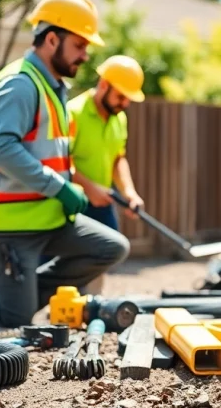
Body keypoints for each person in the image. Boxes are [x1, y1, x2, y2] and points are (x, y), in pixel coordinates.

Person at [0, 0, 130, 328]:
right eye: (79, 45)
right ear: (52, 40)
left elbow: (48, 153)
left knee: (112, 248)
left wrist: (69, 185)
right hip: (4, 224)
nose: (85, 55)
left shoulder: (53, 87)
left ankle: (20, 294)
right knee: (15, 318)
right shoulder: (19, 85)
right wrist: (60, 188)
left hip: (44, 216)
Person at [66, 55, 147, 293]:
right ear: (103, 85)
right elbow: (61, 163)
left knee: (107, 254)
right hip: (72, 203)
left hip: (102, 202)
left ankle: (91, 304)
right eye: (121, 96)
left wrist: (129, 192)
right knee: (69, 260)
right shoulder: (73, 113)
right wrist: (89, 188)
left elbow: (117, 158)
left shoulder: (118, 119)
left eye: (129, 98)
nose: (125, 104)